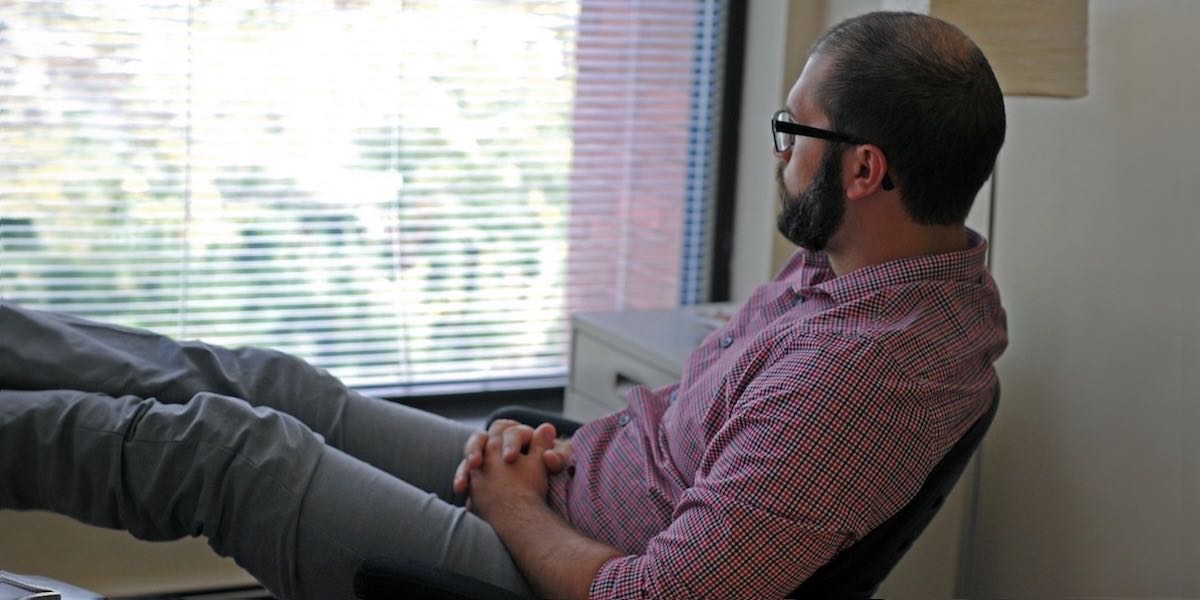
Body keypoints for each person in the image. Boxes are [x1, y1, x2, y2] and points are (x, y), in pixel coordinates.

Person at [0, 11, 1007, 600]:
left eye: (796, 129)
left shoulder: (866, 375)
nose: (779, 151)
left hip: (547, 568)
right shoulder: (880, 269)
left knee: (222, 452)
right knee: (273, 384)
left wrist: (515, 504)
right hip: (565, 486)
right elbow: (685, 444)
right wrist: (547, 457)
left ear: (866, 168)